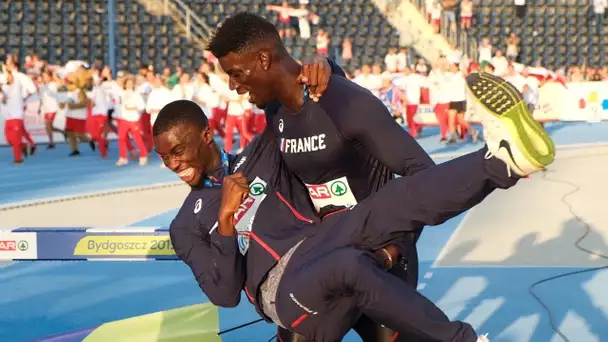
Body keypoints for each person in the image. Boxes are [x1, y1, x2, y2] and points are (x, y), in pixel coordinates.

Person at [155, 69, 555, 341]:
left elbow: (290, 101)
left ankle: (504, 160)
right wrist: (226, 221)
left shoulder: (258, 155)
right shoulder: (184, 226)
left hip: (326, 242)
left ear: (206, 135)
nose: (174, 164)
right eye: (165, 157)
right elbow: (224, 293)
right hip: (286, 292)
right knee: (349, 267)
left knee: (394, 199)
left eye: (178, 151)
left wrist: (324, 69)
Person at [208, 12, 434, 341]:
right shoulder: (275, 112)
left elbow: (425, 175)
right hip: (325, 258)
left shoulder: (348, 103)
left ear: (263, 58)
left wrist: (392, 250)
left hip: (381, 262)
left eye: (236, 73)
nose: (232, 85)